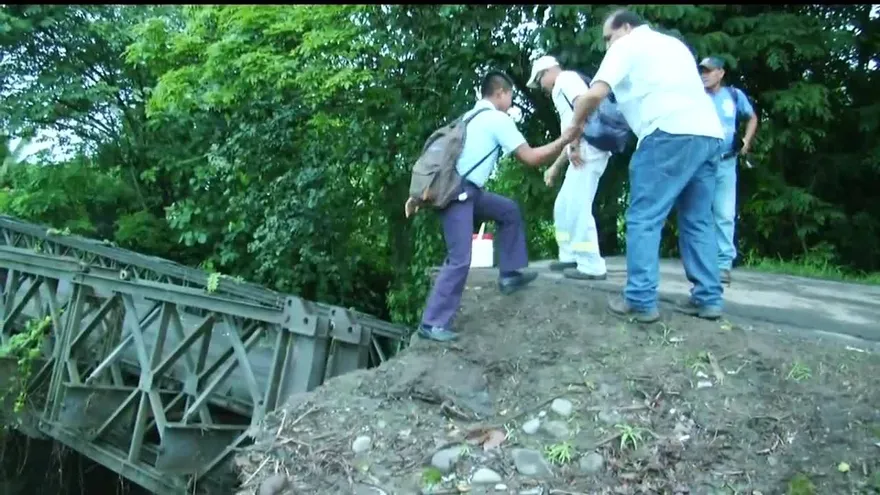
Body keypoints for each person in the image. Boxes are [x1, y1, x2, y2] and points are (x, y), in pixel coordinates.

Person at [563, 9, 726, 322]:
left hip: (667, 134)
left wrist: (575, 125)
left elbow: (593, 94)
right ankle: (708, 299)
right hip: (708, 135)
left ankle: (639, 299)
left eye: (609, 37)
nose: (607, 45)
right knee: (698, 220)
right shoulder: (674, 46)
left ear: (626, 28)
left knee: (643, 217)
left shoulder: (627, 45)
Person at [405, 71, 580, 342]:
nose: (511, 103)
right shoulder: (497, 120)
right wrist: (564, 140)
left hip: (469, 192)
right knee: (460, 258)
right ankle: (432, 323)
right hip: (458, 195)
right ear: (500, 93)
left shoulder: (468, 117)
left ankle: (509, 274)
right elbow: (532, 158)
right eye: (510, 96)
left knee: (507, 211)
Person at [526, 55, 611, 281]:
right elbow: (570, 133)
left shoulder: (565, 79)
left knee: (577, 207)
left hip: (588, 149)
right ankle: (570, 255)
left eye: (538, 81)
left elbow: (583, 105)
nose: (541, 88)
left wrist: (573, 143)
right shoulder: (563, 84)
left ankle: (591, 264)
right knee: (563, 206)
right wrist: (555, 167)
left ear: (546, 72)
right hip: (582, 148)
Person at [699, 56, 759, 285]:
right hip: (701, 162)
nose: (704, 75)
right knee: (700, 213)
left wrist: (746, 141)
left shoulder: (733, 95)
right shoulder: (695, 95)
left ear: (721, 73)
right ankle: (704, 262)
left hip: (726, 162)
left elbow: (752, 117)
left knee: (724, 214)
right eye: (702, 71)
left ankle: (723, 265)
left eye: (709, 71)